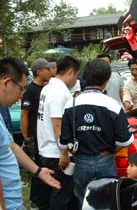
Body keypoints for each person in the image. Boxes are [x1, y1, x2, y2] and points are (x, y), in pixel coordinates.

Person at [59, 58, 134, 206]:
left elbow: (63, 141)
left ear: (85, 77)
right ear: (106, 80)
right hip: (106, 161)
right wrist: (111, 150)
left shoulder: (70, 104)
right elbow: (126, 140)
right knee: (108, 202)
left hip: (81, 162)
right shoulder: (113, 105)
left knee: (83, 201)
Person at [0, 57, 60, 210]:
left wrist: (38, 171)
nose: (21, 95)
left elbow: (11, 146)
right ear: (7, 83)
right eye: (21, 88)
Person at [37, 56, 81, 209]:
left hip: (47, 149)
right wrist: (64, 153)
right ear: (70, 72)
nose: (76, 80)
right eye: (76, 75)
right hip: (56, 153)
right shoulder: (59, 92)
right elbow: (58, 125)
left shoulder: (48, 87)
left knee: (61, 192)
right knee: (60, 194)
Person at [20, 58, 53, 209]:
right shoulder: (30, 91)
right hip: (36, 136)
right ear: (39, 71)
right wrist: (27, 138)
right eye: (47, 69)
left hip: (46, 135)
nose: (50, 71)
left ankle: (45, 197)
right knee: (38, 168)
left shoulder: (47, 89)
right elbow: (24, 116)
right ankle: (36, 200)